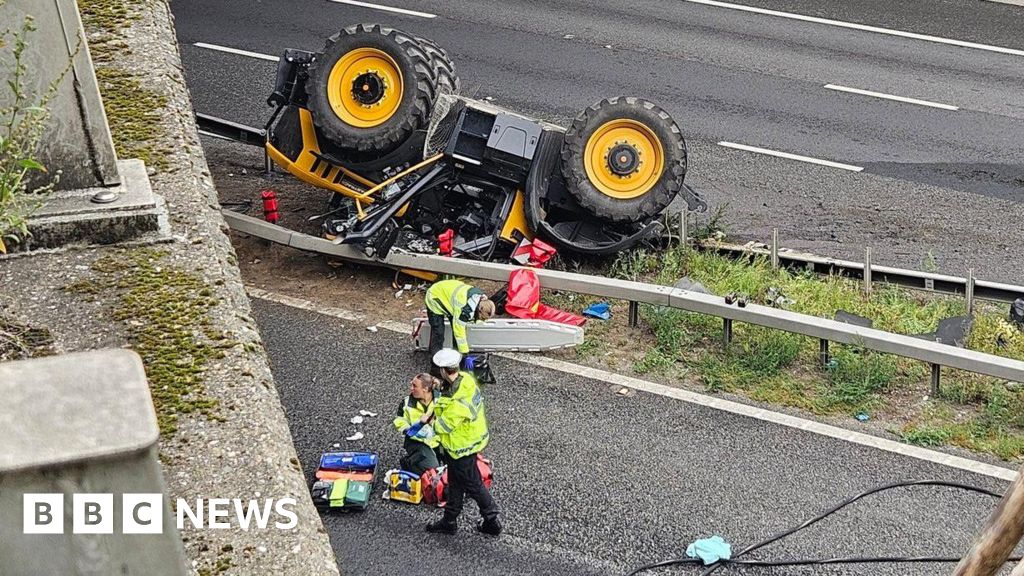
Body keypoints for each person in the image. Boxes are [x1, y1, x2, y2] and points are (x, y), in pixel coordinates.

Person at [423, 348, 501, 536]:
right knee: (455, 482)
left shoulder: (456, 403)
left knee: (473, 485)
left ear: (443, 371)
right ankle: (450, 520)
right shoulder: (466, 380)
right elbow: (449, 394)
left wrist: (430, 420)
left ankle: (492, 520)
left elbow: (443, 426)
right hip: (466, 443)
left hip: (461, 447)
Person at [424, 279, 495, 365]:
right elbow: (459, 334)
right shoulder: (464, 311)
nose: (482, 320)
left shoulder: (481, 299)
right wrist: (465, 354)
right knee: (438, 334)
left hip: (447, 295)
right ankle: (436, 364)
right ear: (479, 310)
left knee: (456, 331)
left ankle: (456, 359)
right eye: (482, 318)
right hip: (434, 297)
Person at [392, 373, 442, 475]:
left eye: (414, 386)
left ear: (426, 389)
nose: (411, 388)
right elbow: (399, 420)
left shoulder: (441, 400)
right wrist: (408, 429)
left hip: (438, 440)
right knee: (433, 470)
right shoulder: (406, 403)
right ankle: (409, 463)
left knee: (454, 467)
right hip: (417, 441)